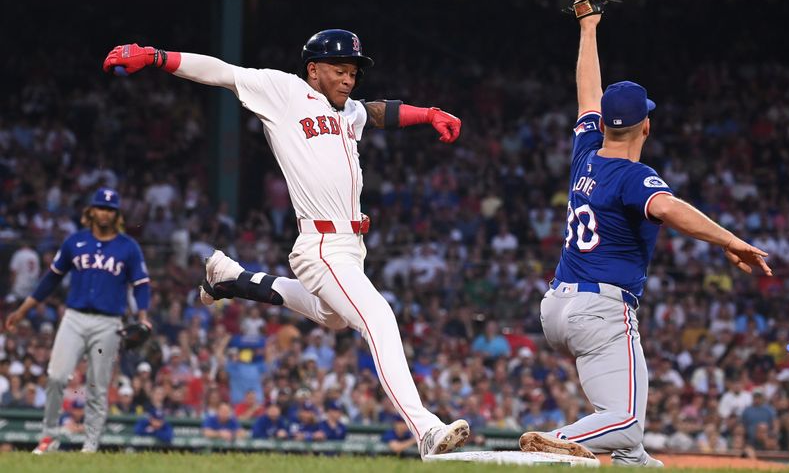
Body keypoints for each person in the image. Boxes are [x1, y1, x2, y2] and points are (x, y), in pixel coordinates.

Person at [103, 29, 469, 458]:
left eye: (353, 71)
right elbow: (223, 72)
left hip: (352, 246)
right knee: (378, 317)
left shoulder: (347, 111)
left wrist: (427, 114)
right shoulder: (286, 92)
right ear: (313, 70)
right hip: (321, 244)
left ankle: (233, 278)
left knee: (333, 318)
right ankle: (424, 427)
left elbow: (377, 112)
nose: (348, 78)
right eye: (339, 69)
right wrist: (156, 56)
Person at [518, 0, 772, 466]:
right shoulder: (635, 177)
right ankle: (550, 445)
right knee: (627, 422)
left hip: (558, 306)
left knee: (630, 448)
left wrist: (588, 25)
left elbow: (587, 94)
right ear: (646, 127)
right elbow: (671, 209)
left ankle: (596, 452)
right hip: (602, 312)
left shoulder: (586, 153)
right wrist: (732, 240)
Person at [5, 188, 152, 454]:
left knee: (97, 386)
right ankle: (49, 437)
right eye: (100, 207)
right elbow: (50, 278)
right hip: (74, 318)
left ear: (116, 214)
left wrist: (143, 315)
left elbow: (141, 284)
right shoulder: (75, 241)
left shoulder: (128, 247)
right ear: (91, 211)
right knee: (56, 377)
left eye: (110, 209)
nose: (104, 212)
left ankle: (91, 445)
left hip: (108, 324)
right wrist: (24, 310)